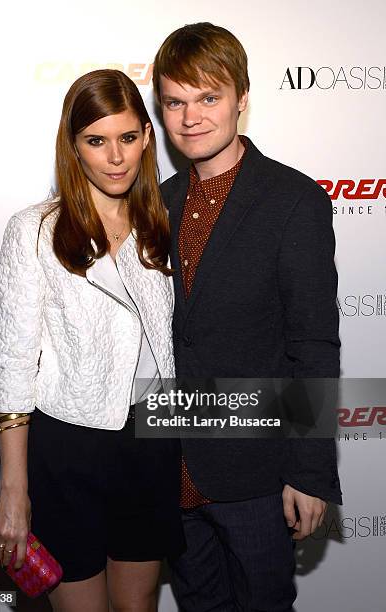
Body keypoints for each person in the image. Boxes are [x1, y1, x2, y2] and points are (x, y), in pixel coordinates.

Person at [153, 23, 342, 612]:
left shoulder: (293, 199)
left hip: (258, 475)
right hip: (170, 469)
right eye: (175, 102)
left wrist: (310, 473)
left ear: (241, 98)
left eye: (208, 97)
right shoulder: (158, 201)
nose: (191, 118)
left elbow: (313, 346)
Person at [0, 69, 184, 612]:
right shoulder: (35, 229)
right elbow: (13, 364)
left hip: (150, 440)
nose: (115, 157)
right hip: (68, 446)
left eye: (127, 138)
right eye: (96, 141)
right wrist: (13, 490)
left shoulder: (161, 223)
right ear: (73, 147)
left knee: (139, 603)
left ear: (147, 137)